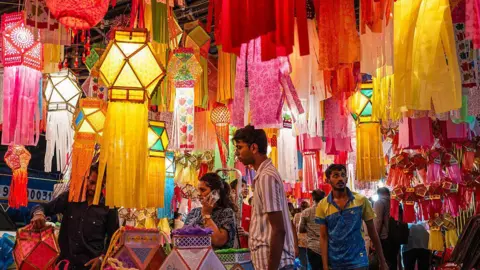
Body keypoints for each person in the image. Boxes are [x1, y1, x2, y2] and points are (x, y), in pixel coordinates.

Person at [30, 165, 119, 270]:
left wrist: (102, 258)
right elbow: (42, 207)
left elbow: (114, 239)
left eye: (99, 185)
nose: (93, 188)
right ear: (85, 179)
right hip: (65, 264)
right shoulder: (71, 198)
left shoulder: (109, 208)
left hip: (90, 266)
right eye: (91, 182)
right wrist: (38, 213)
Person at [233, 125, 295, 270]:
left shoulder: (267, 177)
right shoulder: (263, 175)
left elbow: (278, 229)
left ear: (253, 148)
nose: (237, 153)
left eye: (240, 147)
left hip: (275, 264)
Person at [316, 164, 388, 270]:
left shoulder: (361, 200)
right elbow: (323, 237)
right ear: (328, 180)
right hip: (335, 264)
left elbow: (373, 232)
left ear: (346, 179)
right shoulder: (322, 205)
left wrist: (382, 261)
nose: (340, 178)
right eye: (336, 176)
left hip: (359, 262)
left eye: (343, 175)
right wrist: (325, 266)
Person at [184, 173, 237, 249]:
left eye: (203, 190)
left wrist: (206, 215)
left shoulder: (226, 212)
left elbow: (218, 240)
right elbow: (183, 238)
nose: (199, 194)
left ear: (215, 193)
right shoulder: (194, 212)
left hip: (216, 259)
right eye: (198, 190)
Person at [299, 190, 325, 270]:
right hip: (327, 247)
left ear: (312, 198)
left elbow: (300, 229)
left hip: (312, 248)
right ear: (324, 198)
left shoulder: (306, 212)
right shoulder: (327, 211)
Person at [374, 187, 397, 269]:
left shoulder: (379, 202)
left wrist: (374, 239)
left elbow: (378, 221)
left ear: (379, 194)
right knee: (393, 261)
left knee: (384, 262)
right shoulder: (395, 202)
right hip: (395, 236)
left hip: (384, 237)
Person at [230, 178, 252, 248]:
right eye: (242, 186)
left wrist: (246, 233)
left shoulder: (251, 209)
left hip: (247, 251)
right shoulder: (227, 210)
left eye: (246, 187)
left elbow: (259, 234)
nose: (245, 189)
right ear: (233, 191)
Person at [293, 201, 310, 270]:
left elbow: (294, 228)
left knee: (302, 263)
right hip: (309, 241)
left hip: (300, 242)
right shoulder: (310, 214)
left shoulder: (296, 215)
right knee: (309, 263)